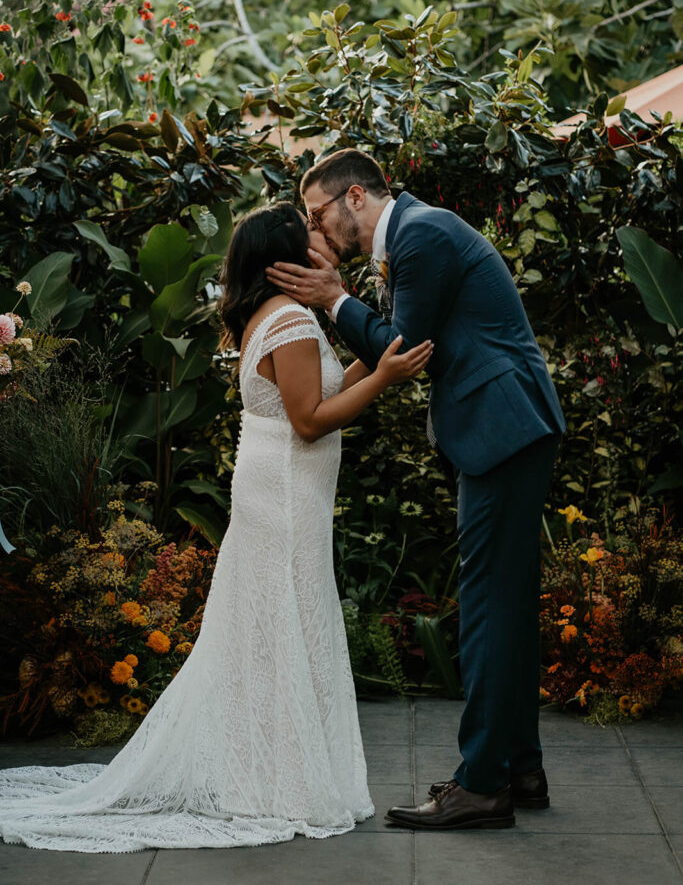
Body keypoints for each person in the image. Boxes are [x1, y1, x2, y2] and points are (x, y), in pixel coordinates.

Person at [0, 202, 432, 852]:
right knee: (281, 626)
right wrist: (387, 379)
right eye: (310, 232)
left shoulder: (274, 316)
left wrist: (374, 367)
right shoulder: (287, 320)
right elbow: (311, 420)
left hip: (281, 488)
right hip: (285, 493)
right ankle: (275, 784)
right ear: (285, 257)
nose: (323, 237)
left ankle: (263, 775)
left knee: (272, 628)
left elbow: (321, 388)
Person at [266, 149, 566, 831]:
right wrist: (343, 299)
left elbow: (399, 345)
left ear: (353, 199)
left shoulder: (422, 234)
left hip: (502, 428)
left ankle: (482, 785)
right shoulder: (415, 236)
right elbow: (397, 340)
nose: (314, 228)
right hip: (508, 427)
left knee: (489, 610)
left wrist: (331, 298)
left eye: (316, 212)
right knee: (507, 606)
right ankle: (519, 768)